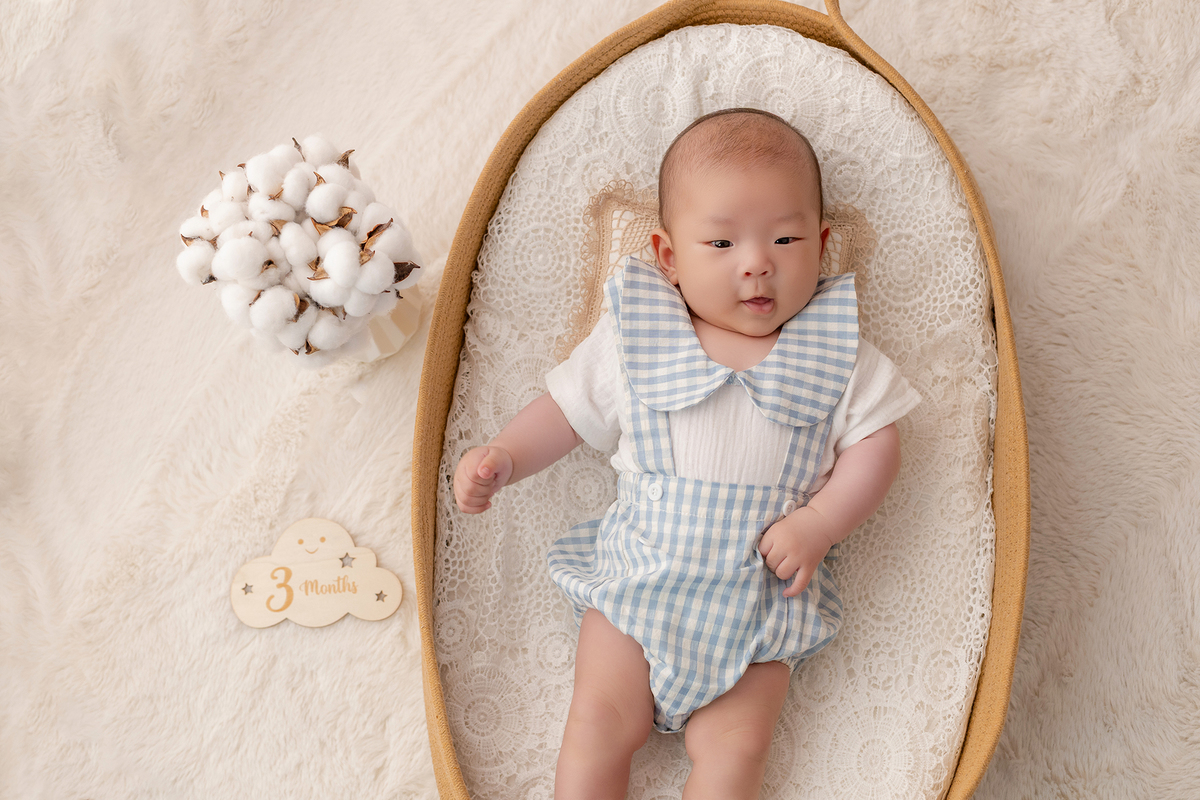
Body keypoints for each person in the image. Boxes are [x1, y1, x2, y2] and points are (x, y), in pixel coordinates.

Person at [453, 108, 921, 800]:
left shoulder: (837, 355)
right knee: (598, 724)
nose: (756, 262)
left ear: (822, 246)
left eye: (785, 238)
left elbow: (877, 446)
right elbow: (566, 411)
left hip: (754, 603)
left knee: (736, 749)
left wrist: (821, 523)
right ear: (670, 257)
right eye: (722, 242)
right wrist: (506, 456)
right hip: (636, 584)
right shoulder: (637, 338)